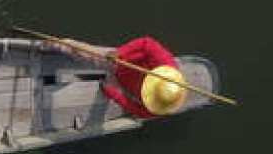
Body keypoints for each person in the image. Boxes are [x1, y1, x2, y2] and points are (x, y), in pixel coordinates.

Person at [58, 35, 187, 118]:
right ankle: (52, 45)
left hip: (121, 86)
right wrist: (120, 53)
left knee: (83, 80)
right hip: (120, 61)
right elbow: (146, 43)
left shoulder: (156, 107)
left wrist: (112, 92)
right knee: (75, 49)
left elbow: (132, 107)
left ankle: (61, 79)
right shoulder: (165, 62)